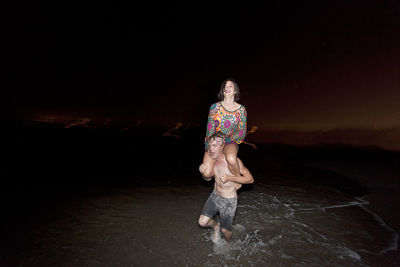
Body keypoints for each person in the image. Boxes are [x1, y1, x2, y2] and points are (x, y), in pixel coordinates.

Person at [198, 132, 254, 242]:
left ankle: (229, 244)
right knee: (202, 222)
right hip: (215, 196)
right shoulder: (213, 162)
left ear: (222, 147)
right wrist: (203, 174)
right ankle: (215, 226)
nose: (211, 149)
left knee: (226, 230)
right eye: (209, 145)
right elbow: (208, 180)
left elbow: (250, 179)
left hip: (228, 200)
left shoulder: (233, 162)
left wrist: (230, 178)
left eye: (214, 145)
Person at [202, 78, 247, 179]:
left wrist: (225, 140)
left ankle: (237, 179)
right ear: (222, 90)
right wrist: (211, 145)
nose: (227, 88)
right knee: (206, 173)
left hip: (230, 141)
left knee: (231, 159)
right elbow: (210, 129)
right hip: (214, 141)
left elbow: (242, 131)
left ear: (235, 91)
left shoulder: (241, 110)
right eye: (225, 86)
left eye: (230, 86)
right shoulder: (214, 107)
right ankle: (221, 177)